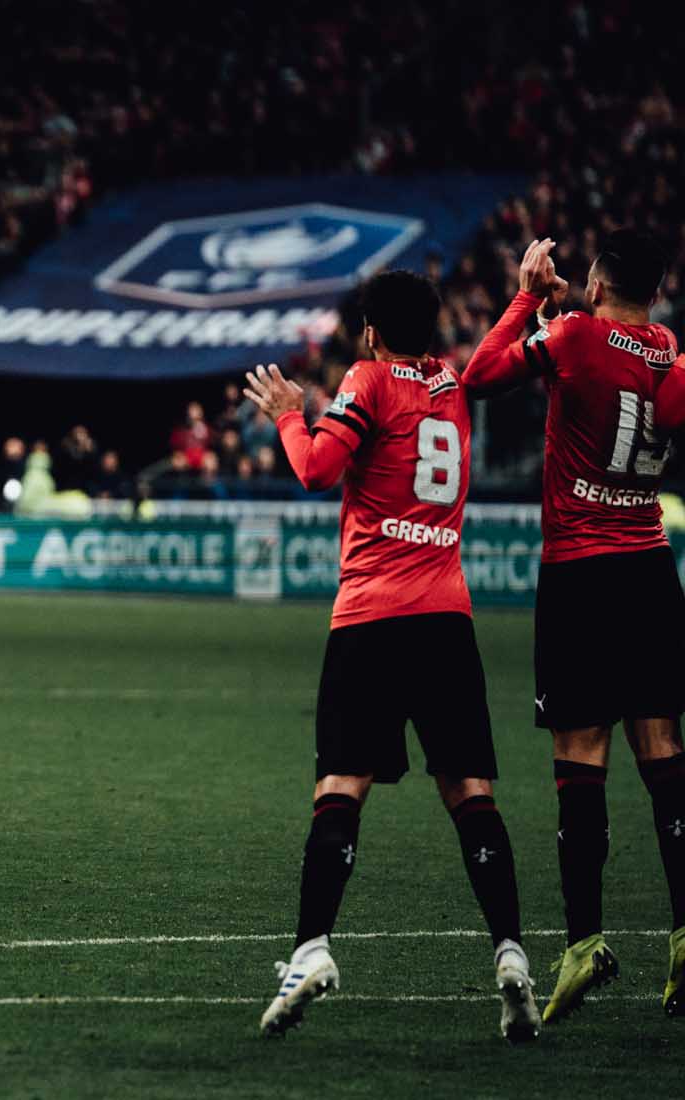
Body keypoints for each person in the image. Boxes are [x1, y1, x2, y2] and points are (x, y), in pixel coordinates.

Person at [242, 270, 537, 1042]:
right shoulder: (453, 385)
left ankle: (311, 950)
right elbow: (493, 356)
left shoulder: (368, 379)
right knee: (470, 790)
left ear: (371, 332)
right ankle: (511, 952)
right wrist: (525, 298)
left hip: (371, 616)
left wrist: (289, 415)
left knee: (342, 785)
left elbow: (316, 469)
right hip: (446, 618)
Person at [462, 233, 685, 1021]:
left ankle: (585, 943)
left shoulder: (574, 334)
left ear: (594, 285)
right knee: (664, 752)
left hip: (581, 574)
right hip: (650, 569)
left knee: (580, 759)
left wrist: (529, 295)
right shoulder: (668, 348)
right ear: (653, 292)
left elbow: (480, 375)